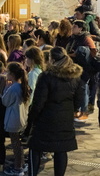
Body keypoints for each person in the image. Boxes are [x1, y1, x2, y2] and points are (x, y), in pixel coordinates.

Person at [27, 47, 84, 176]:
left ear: (51, 59)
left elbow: (38, 102)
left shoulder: (46, 76)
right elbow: (79, 99)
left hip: (45, 119)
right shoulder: (75, 77)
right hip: (65, 120)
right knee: (61, 150)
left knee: (35, 148)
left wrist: (32, 118)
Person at [2, 62, 30, 176]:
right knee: (18, 143)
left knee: (16, 144)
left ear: (12, 74)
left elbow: (5, 101)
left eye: (7, 72)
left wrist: (5, 89)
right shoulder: (23, 86)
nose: (6, 74)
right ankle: (21, 164)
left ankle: (18, 167)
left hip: (13, 119)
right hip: (22, 118)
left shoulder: (13, 88)